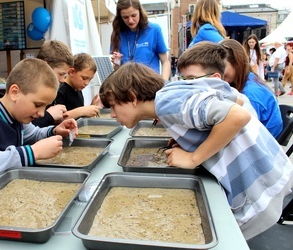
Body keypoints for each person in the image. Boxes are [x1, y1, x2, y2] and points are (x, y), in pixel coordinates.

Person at [99, 48, 293, 240]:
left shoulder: (166, 104)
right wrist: (191, 135)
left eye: (114, 106)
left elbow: (237, 115)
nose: (113, 115)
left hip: (259, 193)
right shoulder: (173, 90)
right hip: (275, 172)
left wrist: (194, 157)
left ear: (133, 98)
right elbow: (236, 98)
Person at [0, 58, 78, 176]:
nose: (41, 113)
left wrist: (54, 131)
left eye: (45, 107)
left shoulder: (17, 115)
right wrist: (33, 152)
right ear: (14, 92)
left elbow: (33, 135)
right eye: (38, 105)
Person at [220, 39, 282, 138]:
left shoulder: (250, 93)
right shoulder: (250, 78)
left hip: (264, 141)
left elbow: (246, 133)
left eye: (222, 67)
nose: (218, 73)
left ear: (237, 63)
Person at [110, 0, 170, 79]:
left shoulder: (154, 30)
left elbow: (165, 61)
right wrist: (117, 63)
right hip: (126, 85)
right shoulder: (117, 33)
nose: (130, 20)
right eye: (125, 17)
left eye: (134, 15)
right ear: (120, 17)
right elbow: (116, 69)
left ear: (140, 12)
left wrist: (164, 83)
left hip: (150, 84)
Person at [32, 40, 74, 127]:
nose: (63, 80)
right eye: (61, 74)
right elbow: (26, 130)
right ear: (45, 66)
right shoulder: (29, 90)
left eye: (65, 76)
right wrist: (49, 116)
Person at [55, 53, 100, 120]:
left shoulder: (78, 90)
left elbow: (79, 117)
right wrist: (82, 111)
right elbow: (57, 119)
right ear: (72, 72)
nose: (87, 83)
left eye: (90, 79)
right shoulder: (60, 91)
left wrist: (91, 107)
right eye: (84, 78)